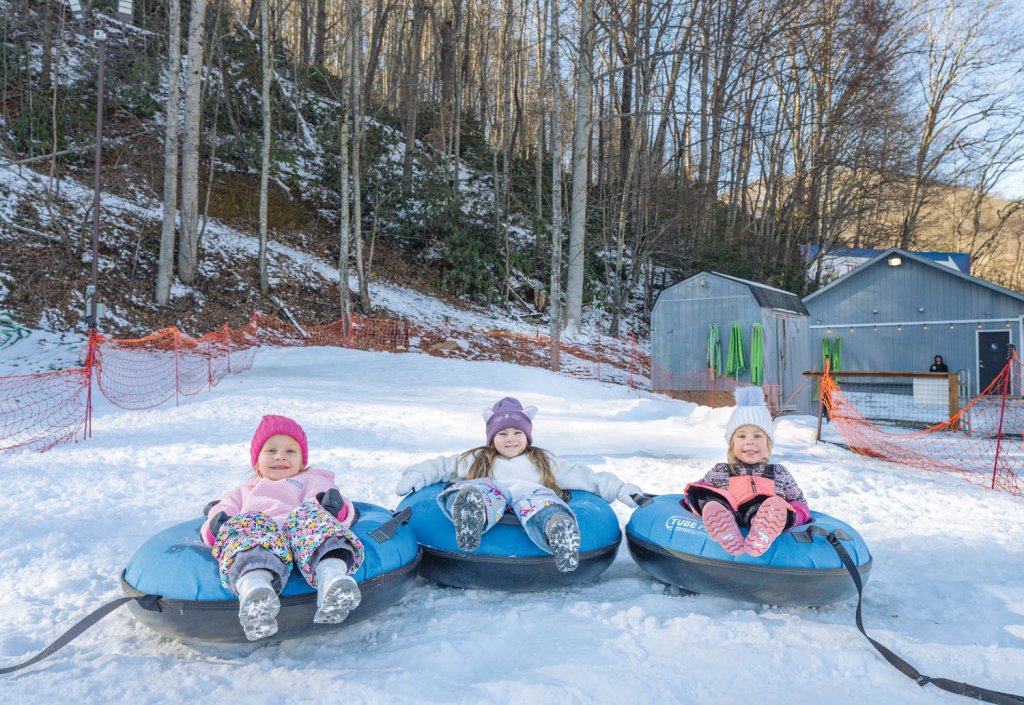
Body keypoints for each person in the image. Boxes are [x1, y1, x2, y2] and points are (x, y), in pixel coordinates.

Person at [394, 397, 643, 573]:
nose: (510, 439)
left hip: (530, 497)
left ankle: (559, 530)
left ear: (527, 436)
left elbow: (586, 477)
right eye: (502, 434)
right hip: (490, 494)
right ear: (492, 438)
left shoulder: (543, 462)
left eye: (517, 433)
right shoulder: (477, 459)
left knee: (543, 502)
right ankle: (471, 516)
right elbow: (441, 466)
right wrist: (417, 475)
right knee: (475, 490)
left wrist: (620, 489)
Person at [200, 415, 365, 641]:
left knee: (313, 515)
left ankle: (332, 579)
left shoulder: (310, 481)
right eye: (271, 451)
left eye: (290, 451)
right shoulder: (243, 491)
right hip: (262, 534)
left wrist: (333, 506)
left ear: (302, 462)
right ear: (256, 463)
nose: (280, 456)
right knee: (245, 525)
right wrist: (217, 524)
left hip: (301, 532)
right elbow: (223, 510)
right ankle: (256, 591)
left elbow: (335, 506)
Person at [683, 387, 810, 557]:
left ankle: (764, 528)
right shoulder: (720, 471)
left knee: (770, 505)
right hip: (730, 513)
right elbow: (694, 495)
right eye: (742, 436)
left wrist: (790, 515)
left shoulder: (779, 473)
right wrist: (700, 503)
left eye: (757, 436)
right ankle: (723, 527)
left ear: (768, 444)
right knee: (706, 496)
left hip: (761, 515)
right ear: (732, 444)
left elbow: (799, 503)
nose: (750, 442)